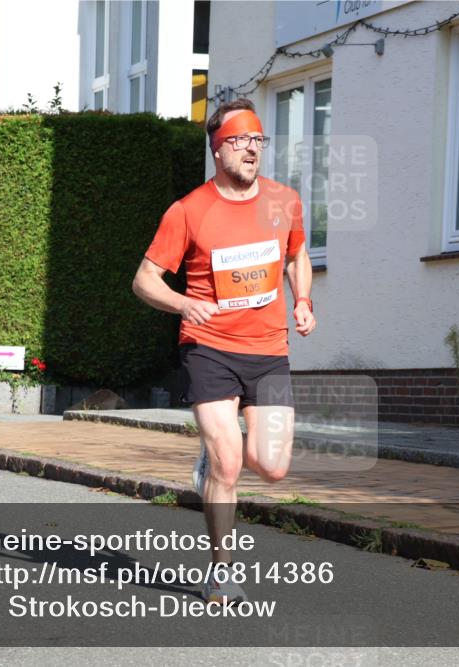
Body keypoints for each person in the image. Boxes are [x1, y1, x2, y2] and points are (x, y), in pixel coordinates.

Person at [132, 98, 315, 605]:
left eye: (258, 140)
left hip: (269, 349)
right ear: (218, 148)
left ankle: (211, 462)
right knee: (229, 465)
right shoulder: (189, 210)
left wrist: (303, 299)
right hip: (208, 348)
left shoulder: (285, 201)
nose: (252, 149)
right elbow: (144, 281)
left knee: (272, 465)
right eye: (241, 140)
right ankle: (221, 571)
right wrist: (182, 304)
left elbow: (299, 254)